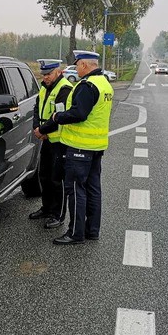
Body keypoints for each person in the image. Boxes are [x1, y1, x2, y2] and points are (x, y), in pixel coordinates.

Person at [34, 51, 114, 245]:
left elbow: (79, 113)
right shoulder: (104, 84)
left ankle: (76, 233)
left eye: (77, 65)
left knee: (76, 190)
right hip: (95, 146)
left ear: (85, 65)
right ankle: (91, 230)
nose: (76, 69)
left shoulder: (87, 85)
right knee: (93, 189)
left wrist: (57, 117)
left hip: (80, 146)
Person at [28, 59, 74, 228]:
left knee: (57, 179)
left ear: (58, 72)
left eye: (48, 74)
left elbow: (58, 115)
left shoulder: (64, 88)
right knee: (44, 175)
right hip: (46, 138)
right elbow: (37, 108)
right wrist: (36, 127)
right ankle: (46, 208)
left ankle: (58, 215)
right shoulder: (44, 86)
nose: (45, 77)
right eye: (44, 74)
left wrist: (42, 130)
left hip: (59, 141)